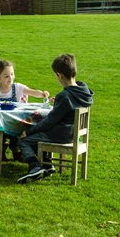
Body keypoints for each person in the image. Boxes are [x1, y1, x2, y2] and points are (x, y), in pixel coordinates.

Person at [16, 54, 94, 183]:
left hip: (60, 134)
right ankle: (47, 165)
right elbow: (68, 108)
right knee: (38, 133)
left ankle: (35, 167)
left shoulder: (65, 96)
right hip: (73, 133)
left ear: (59, 75)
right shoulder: (83, 90)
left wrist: (28, 132)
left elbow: (49, 121)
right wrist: (58, 102)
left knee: (25, 139)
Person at [0, 58, 49, 161]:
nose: (10, 78)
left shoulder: (18, 88)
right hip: (0, 124)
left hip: (17, 123)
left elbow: (33, 92)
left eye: (12, 74)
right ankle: (1, 150)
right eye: (6, 76)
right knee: (0, 131)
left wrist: (43, 93)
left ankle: (16, 149)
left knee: (24, 127)